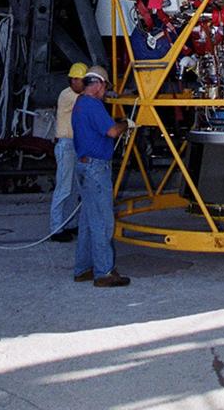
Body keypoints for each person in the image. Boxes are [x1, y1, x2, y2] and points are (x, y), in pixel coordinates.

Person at [71, 65, 130, 287]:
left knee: (87, 221)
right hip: (96, 169)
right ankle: (104, 272)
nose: (105, 92)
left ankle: (83, 268)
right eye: (105, 88)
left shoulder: (80, 103)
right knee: (103, 222)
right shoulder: (93, 105)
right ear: (99, 85)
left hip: (85, 166)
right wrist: (126, 124)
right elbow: (112, 131)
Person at [50, 62, 88, 242]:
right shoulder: (68, 96)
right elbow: (88, 100)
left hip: (74, 145)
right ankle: (56, 228)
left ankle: (69, 223)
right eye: (83, 81)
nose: (85, 84)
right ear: (73, 80)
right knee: (63, 187)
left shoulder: (77, 95)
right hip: (66, 145)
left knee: (74, 189)